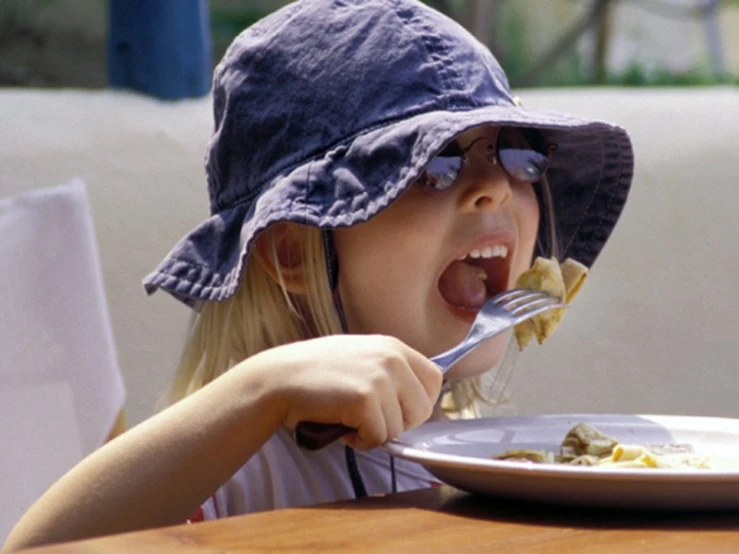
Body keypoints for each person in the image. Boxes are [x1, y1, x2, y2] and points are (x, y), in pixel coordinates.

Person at [3, 0, 632, 550]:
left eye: (519, 152)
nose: (494, 186)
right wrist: (260, 390)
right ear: (287, 256)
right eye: (434, 165)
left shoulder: (477, 455)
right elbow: (42, 548)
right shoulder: (241, 466)